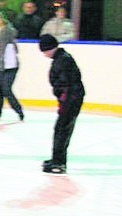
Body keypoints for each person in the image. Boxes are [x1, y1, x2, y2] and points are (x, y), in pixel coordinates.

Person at [38, 34, 84, 175]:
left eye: (44, 51)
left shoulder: (63, 60)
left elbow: (66, 84)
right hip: (69, 99)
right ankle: (57, 159)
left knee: (62, 129)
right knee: (61, 129)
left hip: (70, 99)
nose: (44, 54)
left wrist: (64, 101)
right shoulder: (60, 58)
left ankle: (59, 162)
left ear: (50, 48)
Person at [0, 11, 24, 122]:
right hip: (8, 65)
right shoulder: (7, 30)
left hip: (9, 65)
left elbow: (1, 50)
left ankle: (19, 110)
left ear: (2, 19)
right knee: (0, 89)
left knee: (6, 90)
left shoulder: (5, 31)